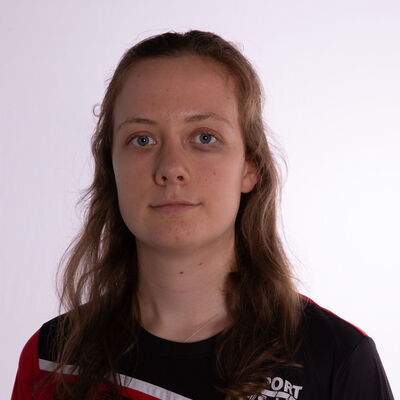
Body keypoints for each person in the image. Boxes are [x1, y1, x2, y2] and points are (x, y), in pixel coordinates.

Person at [11, 30, 394, 400]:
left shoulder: (336, 359)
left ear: (250, 167)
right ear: (111, 168)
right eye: (142, 139)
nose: (171, 168)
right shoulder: (51, 359)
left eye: (204, 137)